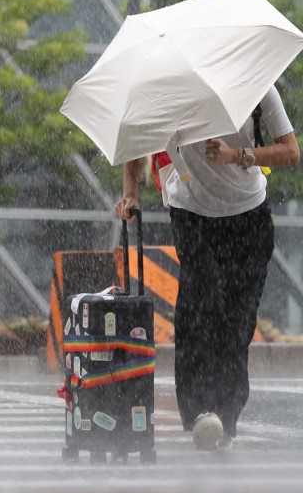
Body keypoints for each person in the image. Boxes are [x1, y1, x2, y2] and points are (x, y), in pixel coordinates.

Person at [114, 85, 299, 451]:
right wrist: (131, 192)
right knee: (199, 308)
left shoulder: (259, 86)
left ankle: (226, 416)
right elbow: (138, 138)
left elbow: (290, 151)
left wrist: (237, 155)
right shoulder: (169, 88)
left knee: (238, 320)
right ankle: (201, 410)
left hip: (250, 217)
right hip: (192, 213)